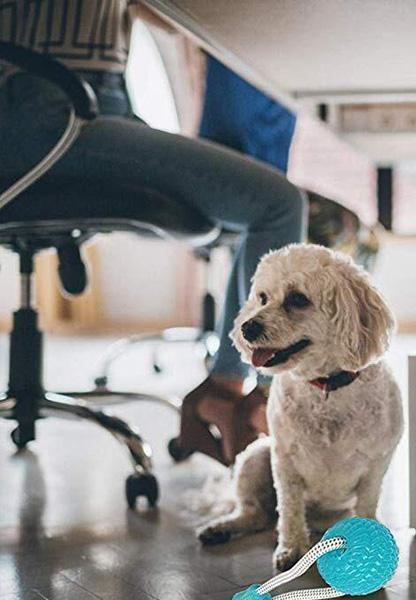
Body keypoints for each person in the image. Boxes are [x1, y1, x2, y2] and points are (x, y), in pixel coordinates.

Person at [0, 1, 306, 465]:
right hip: (45, 113)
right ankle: (255, 397)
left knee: (249, 207)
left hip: (91, 106)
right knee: (276, 203)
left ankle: (228, 389)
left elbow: (174, 18)